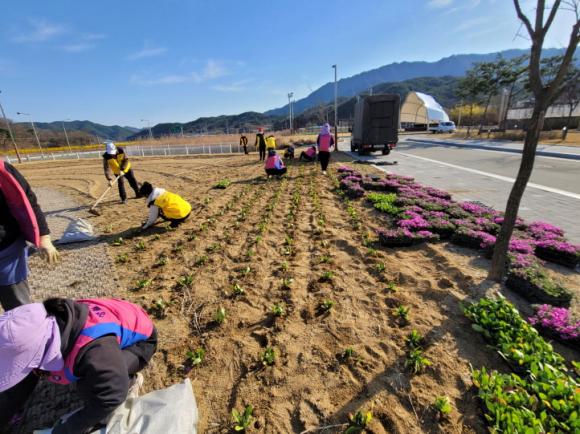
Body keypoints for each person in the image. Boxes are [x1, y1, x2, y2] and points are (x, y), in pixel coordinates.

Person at [0, 298, 157, 434]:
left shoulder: (95, 352)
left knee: (91, 385)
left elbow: (112, 397)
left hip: (140, 341)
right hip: (115, 319)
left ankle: (130, 381)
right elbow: (19, 385)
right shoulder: (42, 323)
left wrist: (64, 430)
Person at [0, 160, 58, 312]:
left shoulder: (2, 171)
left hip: (6, 251)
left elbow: (27, 202)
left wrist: (44, 237)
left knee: (18, 308)